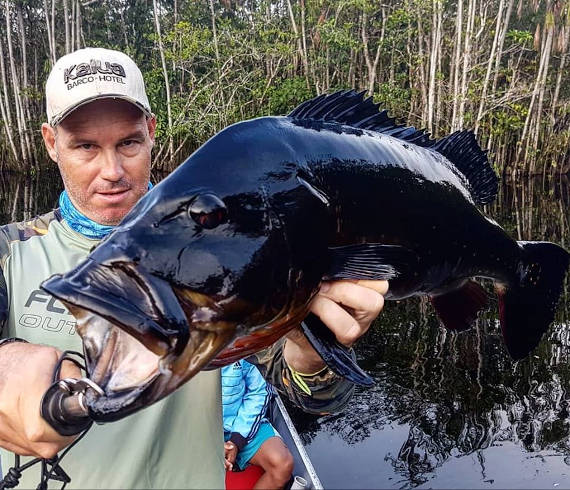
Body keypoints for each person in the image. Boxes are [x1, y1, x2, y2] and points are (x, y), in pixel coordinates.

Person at [0, 47, 388, 488]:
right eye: (85, 146)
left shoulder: (227, 250)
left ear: (150, 132)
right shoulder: (11, 249)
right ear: (52, 143)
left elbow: (316, 402)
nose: (111, 171)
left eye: (127, 142)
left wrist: (310, 351)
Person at [222, 360, 293, 489]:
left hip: (240, 421)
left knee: (282, 464)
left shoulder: (247, 344)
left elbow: (259, 392)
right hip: (195, 429)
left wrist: (236, 441)